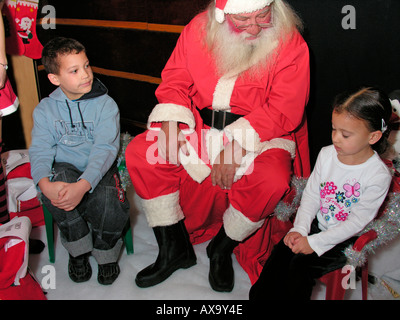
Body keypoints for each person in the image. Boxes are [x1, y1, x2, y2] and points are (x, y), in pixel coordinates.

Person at [126, 0, 310, 291]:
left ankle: (221, 248)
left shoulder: (290, 41)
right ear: (223, 15)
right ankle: (174, 249)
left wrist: (238, 145)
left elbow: (284, 108)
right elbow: (175, 78)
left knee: (272, 179)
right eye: (242, 20)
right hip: (201, 127)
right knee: (141, 153)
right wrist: (171, 122)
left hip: (263, 131)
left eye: (263, 15)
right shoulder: (199, 28)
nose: (254, 27)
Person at [249, 87, 393, 300]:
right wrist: (300, 229)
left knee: (300, 268)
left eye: (345, 134)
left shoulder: (378, 175)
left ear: (373, 136)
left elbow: (356, 223)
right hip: (317, 224)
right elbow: (312, 195)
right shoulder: (327, 154)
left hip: (344, 240)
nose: (335, 138)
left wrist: (315, 243)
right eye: (334, 129)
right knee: (281, 254)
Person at [29, 37, 130, 285]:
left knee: (111, 199)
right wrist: (44, 183)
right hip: (66, 167)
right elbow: (40, 149)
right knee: (55, 187)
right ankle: (79, 250)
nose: (86, 74)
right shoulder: (44, 109)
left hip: (99, 167)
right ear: (55, 78)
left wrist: (84, 185)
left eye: (86, 65)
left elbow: (105, 149)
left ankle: (105, 253)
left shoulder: (106, 104)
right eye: (74, 70)